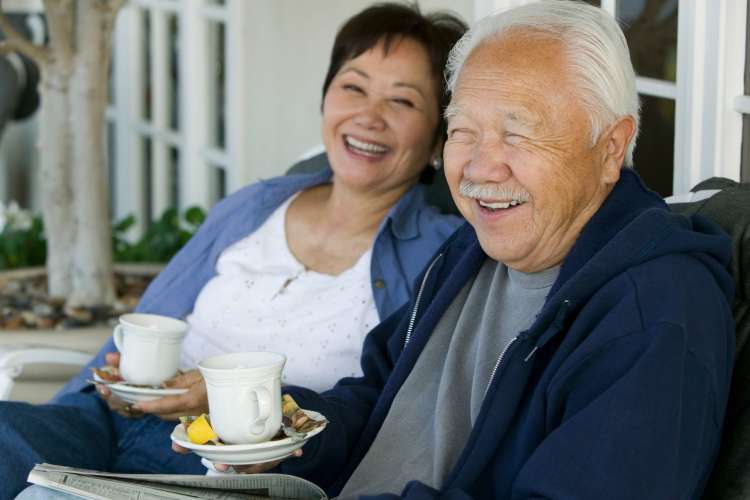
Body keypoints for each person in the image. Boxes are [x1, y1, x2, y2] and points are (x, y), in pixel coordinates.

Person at [214, 2, 735, 498]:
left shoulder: (655, 309)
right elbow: (379, 396)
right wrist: (280, 434)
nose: (481, 169)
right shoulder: (475, 249)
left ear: (610, 148)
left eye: (519, 134)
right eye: (463, 131)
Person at [0, 3, 467, 497]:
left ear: (439, 137)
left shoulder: (438, 258)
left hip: (223, 471)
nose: (369, 116)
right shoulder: (257, 205)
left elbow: (391, 417)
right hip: (104, 423)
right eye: (353, 87)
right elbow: (149, 319)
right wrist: (123, 385)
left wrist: (225, 405)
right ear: (327, 96)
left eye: (403, 102)